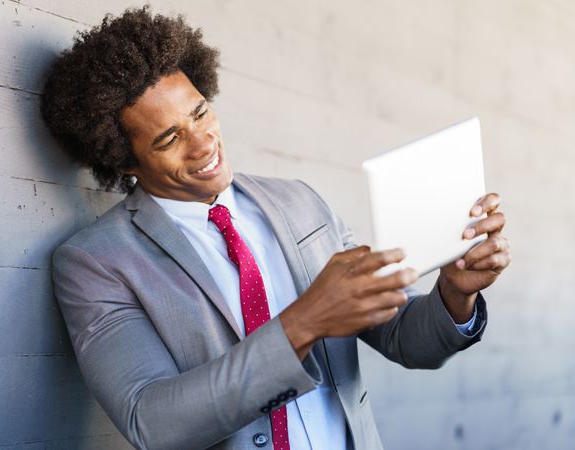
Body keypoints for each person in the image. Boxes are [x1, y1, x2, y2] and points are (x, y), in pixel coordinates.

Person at [42, 7, 510, 450]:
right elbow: (152, 422)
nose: (203, 143)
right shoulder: (96, 263)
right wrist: (305, 321)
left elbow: (404, 339)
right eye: (169, 138)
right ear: (125, 161)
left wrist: (454, 294)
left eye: (200, 112)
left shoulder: (300, 202)